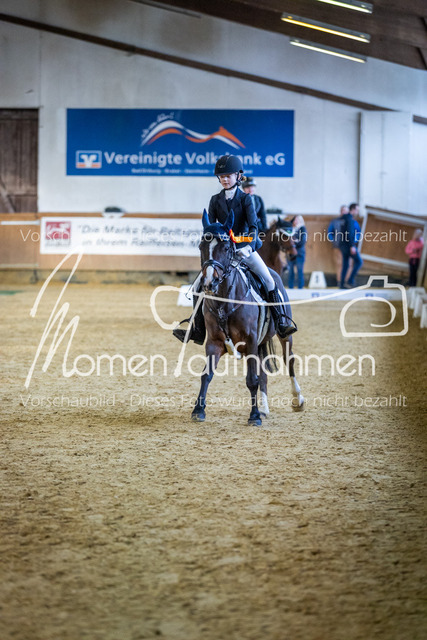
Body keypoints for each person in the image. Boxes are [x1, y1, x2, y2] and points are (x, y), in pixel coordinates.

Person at [173, 155, 296, 344]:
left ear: (238, 176)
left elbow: (254, 227)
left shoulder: (246, 199)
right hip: (223, 254)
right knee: (198, 286)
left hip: (244, 250)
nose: (224, 179)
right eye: (221, 176)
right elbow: (210, 228)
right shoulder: (215, 200)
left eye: (228, 176)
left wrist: (249, 246)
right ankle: (197, 329)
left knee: (270, 280)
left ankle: (280, 322)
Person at [339, 203, 363, 288]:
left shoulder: (345, 218)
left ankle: (342, 284)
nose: (357, 212)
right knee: (359, 262)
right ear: (353, 209)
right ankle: (350, 280)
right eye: (357, 210)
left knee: (345, 265)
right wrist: (352, 246)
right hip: (348, 245)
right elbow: (350, 233)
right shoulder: (349, 219)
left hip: (343, 245)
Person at [327, 205, 349, 286]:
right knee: (339, 264)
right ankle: (339, 281)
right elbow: (329, 232)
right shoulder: (334, 221)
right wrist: (333, 240)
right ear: (340, 211)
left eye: (346, 211)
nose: (344, 212)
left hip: (348, 246)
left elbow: (358, 232)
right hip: (338, 246)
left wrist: (354, 241)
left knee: (348, 264)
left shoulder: (352, 221)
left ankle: (347, 281)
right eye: (343, 210)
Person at [287, 215, 307, 289]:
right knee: (290, 272)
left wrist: (293, 243)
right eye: (295, 219)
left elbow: (302, 241)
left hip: (299, 253)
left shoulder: (303, 229)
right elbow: (287, 240)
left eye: (297, 220)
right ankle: (290, 287)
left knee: (300, 271)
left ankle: (300, 288)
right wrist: (295, 241)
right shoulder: (290, 229)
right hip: (290, 254)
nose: (296, 221)